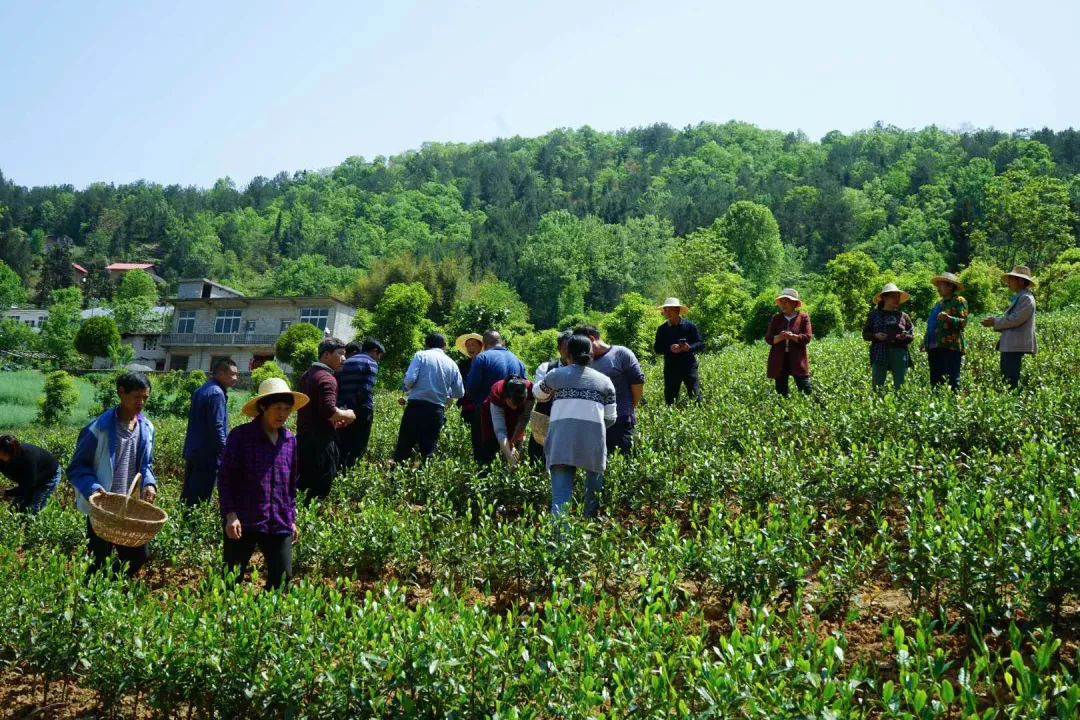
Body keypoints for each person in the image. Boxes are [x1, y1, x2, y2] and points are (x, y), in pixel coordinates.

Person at [218, 378, 309, 591]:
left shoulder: (290, 440)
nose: (283, 414)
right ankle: (226, 619)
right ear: (262, 407)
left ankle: (259, 619)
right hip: (244, 518)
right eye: (277, 408)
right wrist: (230, 514)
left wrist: (291, 518)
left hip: (278, 519)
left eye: (287, 409)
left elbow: (290, 484)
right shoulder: (241, 437)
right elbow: (225, 477)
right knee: (231, 578)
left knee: (283, 577)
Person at [68, 371, 157, 577]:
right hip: (103, 507)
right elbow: (77, 468)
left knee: (138, 556)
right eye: (136, 397)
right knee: (98, 560)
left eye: (145, 397)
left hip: (129, 507)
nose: (141, 402)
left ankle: (111, 587)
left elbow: (146, 464)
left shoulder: (147, 428)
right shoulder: (98, 428)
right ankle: (93, 598)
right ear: (121, 392)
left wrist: (149, 483)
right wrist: (94, 489)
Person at [533, 335, 617, 517]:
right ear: (591, 354)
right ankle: (588, 534)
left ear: (568, 354)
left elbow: (538, 394)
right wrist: (592, 430)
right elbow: (611, 418)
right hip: (593, 445)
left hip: (561, 442)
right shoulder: (605, 381)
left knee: (560, 498)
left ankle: (560, 541)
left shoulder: (556, 375)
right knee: (592, 498)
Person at [296, 338, 356, 500]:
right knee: (320, 487)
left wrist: (334, 418)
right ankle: (311, 522)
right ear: (326, 355)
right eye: (341, 354)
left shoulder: (307, 375)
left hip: (303, 437)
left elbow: (316, 409)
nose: (344, 358)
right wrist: (348, 414)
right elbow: (329, 410)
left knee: (303, 484)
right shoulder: (327, 378)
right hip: (320, 442)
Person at [393, 332, 464, 463]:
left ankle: (394, 481)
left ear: (426, 344)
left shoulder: (421, 355)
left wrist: (410, 389)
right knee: (428, 450)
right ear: (444, 346)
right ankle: (423, 481)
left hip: (415, 408)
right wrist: (444, 392)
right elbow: (459, 393)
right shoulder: (452, 364)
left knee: (404, 447)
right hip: (436, 410)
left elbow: (409, 380)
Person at [573, 325, 645, 455]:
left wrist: (629, 407)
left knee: (623, 462)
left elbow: (637, 384)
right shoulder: (583, 362)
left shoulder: (621, 353)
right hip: (593, 424)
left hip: (621, 421)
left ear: (591, 338)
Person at [180, 357, 238, 505]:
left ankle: (183, 525)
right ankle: (194, 527)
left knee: (189, 496)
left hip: (194, 452)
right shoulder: (217, 393)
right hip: (207, 456)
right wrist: (226, 452)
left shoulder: (203, 389)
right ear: (220, 373)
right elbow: (217, 427)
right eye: (232, 374)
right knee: (200, 499)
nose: (235, 378)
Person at [465, 330, 526, 461]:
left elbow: (471, 387)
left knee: (484, 456)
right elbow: (524, 388)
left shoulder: (482, 358)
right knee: (510, 455)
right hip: (512, 413)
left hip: (485, 413)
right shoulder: (517, 360)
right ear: (501, 342)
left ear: (484, 344)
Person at [981, 265, 1037, 389]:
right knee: (1007, 379)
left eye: (1011, 279)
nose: (1009, 283)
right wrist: (995, 321)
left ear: (1021, 281)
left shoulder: (1026, 298)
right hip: (1010, 345)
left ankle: (1017, 403)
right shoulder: (1021, 297)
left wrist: (994, 321)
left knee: (1010, 381)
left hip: (1015, 345)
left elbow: (1015, 319)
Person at [337, 338, 385, 468]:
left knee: (343, 444)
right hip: (361, 409)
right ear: (375, 351)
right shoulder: (371, 362)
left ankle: (338, 471)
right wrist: (352, 406)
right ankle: (351, 472)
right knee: (358, 445)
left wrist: (344, 408)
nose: (379, 358)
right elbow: (365, 390)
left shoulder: (346, 362)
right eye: (380, 355)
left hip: (342, 410)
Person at [528, 330, 572, 462]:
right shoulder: (546, 367)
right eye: (565, 348)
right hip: (544, 424)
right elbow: (538, 394)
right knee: (536, 460)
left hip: (568, 425)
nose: (569, 353)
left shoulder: (583, 372)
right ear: (559, 349)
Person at [921, 272, 969, 390]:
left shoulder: (959, 301)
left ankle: (952, 406)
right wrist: (925, 340)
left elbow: (963, 322)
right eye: (938, 286)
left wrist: (949, 318)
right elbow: (931, 324)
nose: (938, 288)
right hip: (934, 346)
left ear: (950, 286)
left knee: (951, 379)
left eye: (941, 285)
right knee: (935, 380)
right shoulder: (938, 303)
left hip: (950, 346)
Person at [863, 283, 915, 391]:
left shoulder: (903, 316)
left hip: (899, 353)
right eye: (893, 297)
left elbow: (911, 336)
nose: (896, 299)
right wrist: (876, 336)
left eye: (898, 297)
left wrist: (904, 337)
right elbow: (865, 334)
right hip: (879, 352)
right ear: (884, 298)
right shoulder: (874, 315)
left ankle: (900, 405)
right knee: (877, 385)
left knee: (900, 386)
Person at [653, 297, 704, 404]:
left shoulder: (690, 326)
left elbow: (700, 343)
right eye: (665, 310)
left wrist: (689, 348)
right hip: (671, 368)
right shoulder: (662, 329)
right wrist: (670, 348)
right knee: (670, 398)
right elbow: (657, 348)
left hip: (689, 366)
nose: (667, 312)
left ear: (677, 310)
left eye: (669, 309)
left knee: (695, 395)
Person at [765, 288, 813, 397]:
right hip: (780, 359)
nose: (783, 304)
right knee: (781, 392)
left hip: (797, 358)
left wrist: (792, 336)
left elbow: (807, 337)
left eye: (787, 301)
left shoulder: (803, 317)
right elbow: (769, 339)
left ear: (794, 303)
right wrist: (781, 337)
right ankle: (786, 412)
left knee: (806, 388)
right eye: (782, 302)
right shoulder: (776, 318)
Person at [478, 375, 535, 467]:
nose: (515, 407)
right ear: (506, 397)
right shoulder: (497, 391)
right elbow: (500, 430)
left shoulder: (530, 390)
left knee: (516, 449)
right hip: (491, 418)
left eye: (519, 404)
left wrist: (513, 441)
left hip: (516, 419)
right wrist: (509, 457)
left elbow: (524, 418)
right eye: (513, 404)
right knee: (491, 449)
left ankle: (511, 471)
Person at [0, 435, 60, 513]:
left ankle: (31, 522)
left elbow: (28, 487)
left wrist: (7, 493)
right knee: (14, 510)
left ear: (10, 453)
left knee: (32, 508)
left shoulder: (28, 459)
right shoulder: (3, 456)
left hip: (47, 477)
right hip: (29, 479)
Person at [454, 333, 484, 462]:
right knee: (466, 433)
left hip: (481, 405)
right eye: (468, 345)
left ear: (480, 346)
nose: (470, 347)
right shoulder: (463, 365)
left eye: (473, 344)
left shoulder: (485, 362)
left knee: (480, 436)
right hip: (466, 405)